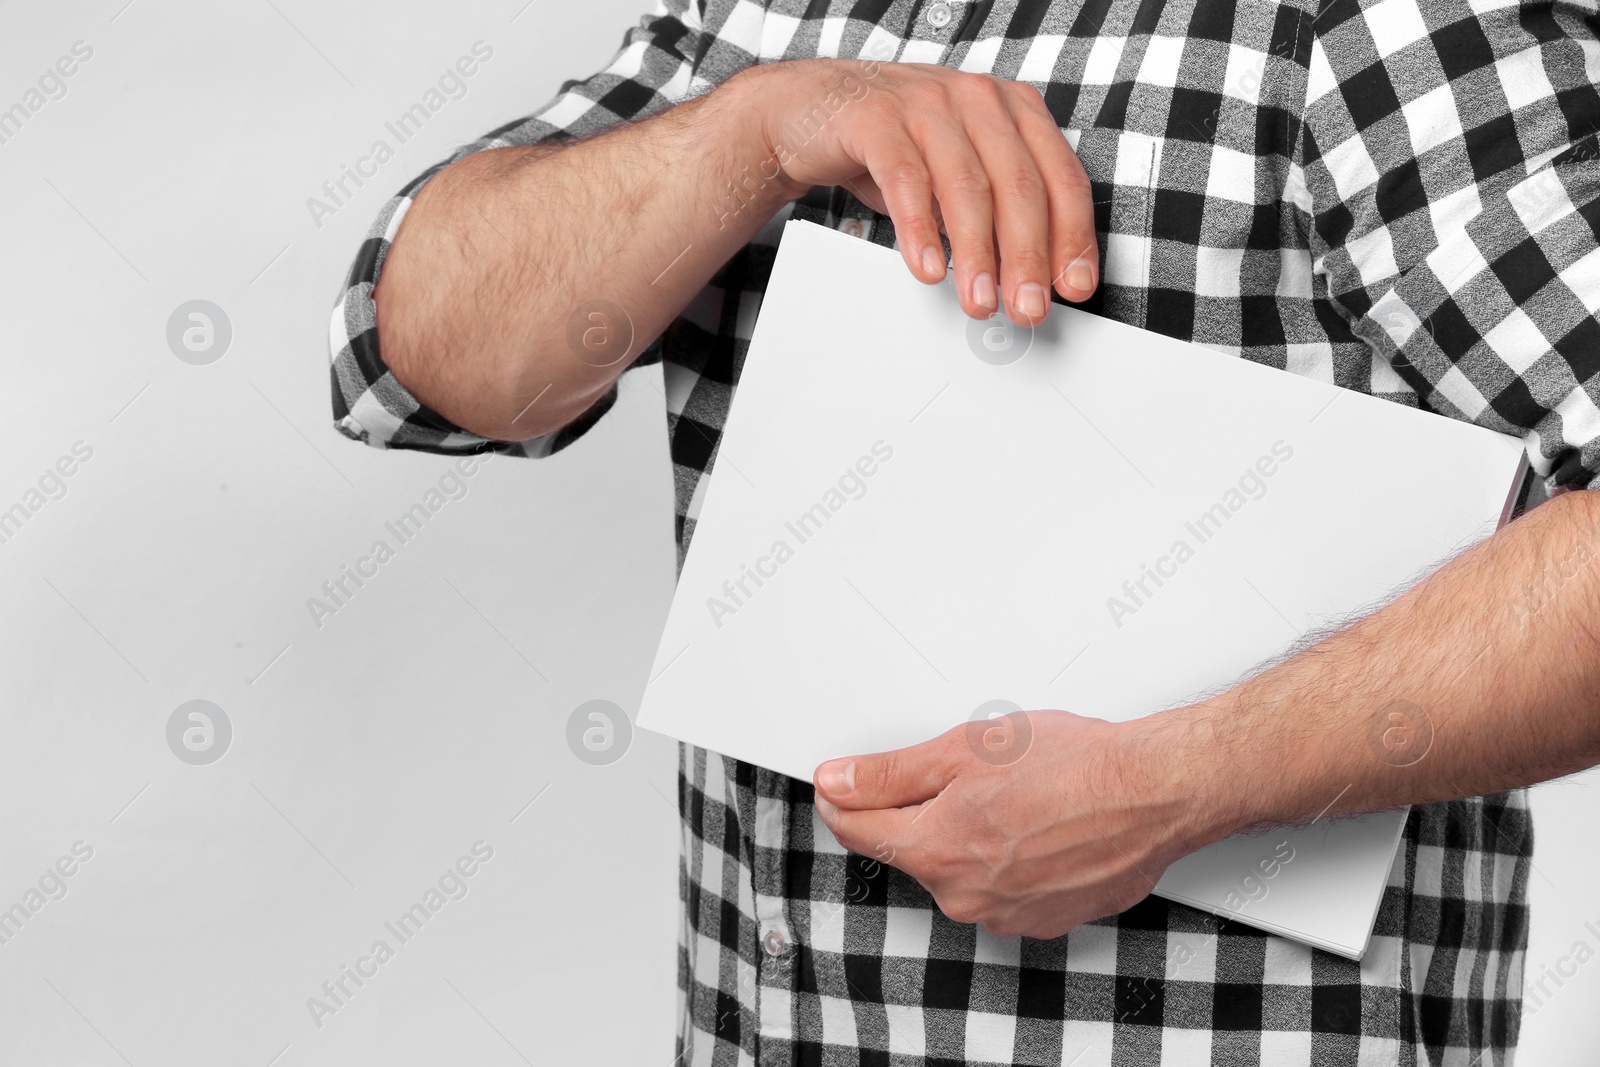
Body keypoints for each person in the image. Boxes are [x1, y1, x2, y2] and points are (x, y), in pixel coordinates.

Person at [328, 1, 1600, 1063]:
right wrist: (758, 129)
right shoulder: (770, 15)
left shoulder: (1382, 24)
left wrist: (1174, 787)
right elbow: (418, 363)